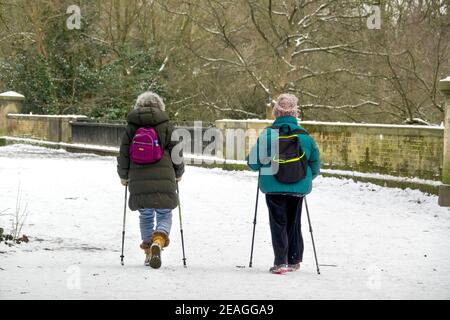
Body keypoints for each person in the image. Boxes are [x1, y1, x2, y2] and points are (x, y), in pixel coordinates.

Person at [247, 93, 320, 274]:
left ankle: (280, 262)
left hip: (273, 186)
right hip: (298, 186)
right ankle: (294, 259)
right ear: (295, 113)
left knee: (278, 222)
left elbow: (253, 163)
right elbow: (315, 164)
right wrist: (306, 178)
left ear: (276, 113)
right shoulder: (305, 137)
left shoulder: (267, 135)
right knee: (294, 221)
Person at [117, 91, 184, 269]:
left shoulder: (131, 127)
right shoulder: (167, 126)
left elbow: (123, 154)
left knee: (145, 215)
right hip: (165, 176)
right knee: (164, 213)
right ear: (160, 106)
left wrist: (123, 176)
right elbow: (177, 153)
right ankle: (158, 241)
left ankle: (148, 251)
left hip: (138, 177)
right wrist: (179, 173)